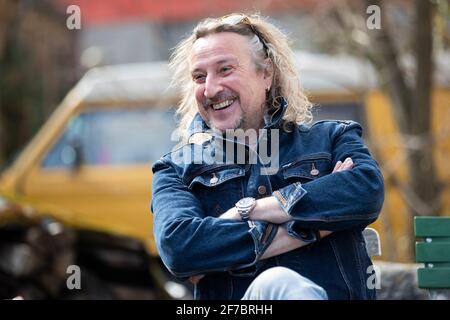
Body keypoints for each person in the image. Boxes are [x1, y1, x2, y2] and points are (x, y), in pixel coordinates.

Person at [151, 13, 384, 300]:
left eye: (225, 69)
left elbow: (366, 190)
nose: (210, 89)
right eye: (199, 76)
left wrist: (245, 212)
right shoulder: (175, 170)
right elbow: (181, 249)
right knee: (278, 282)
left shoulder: (332, 139)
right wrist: (311, 228)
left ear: (266, 74)